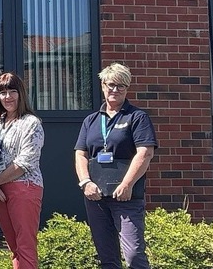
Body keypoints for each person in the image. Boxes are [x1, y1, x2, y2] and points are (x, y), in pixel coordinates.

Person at [75, 63, 156, 269]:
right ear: (103, 85)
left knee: (134, 255)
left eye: (121, 86)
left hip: (126, 197)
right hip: (96, 197)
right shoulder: (91, 120)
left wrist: (127, 184)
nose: (115, 90)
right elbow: (80, 153)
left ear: (127, 88)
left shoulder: (137, 117)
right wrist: (85, 182)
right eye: (111, 84)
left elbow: (145, 153)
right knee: (107, 258)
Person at [0, 73, 45, 269]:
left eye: (12, 91)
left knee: (25, 245)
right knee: (13, 245)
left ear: (20, 94)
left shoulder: (31, 123)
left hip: (24, 187)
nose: (8, 97)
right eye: (3, 92)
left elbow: (25, 162)